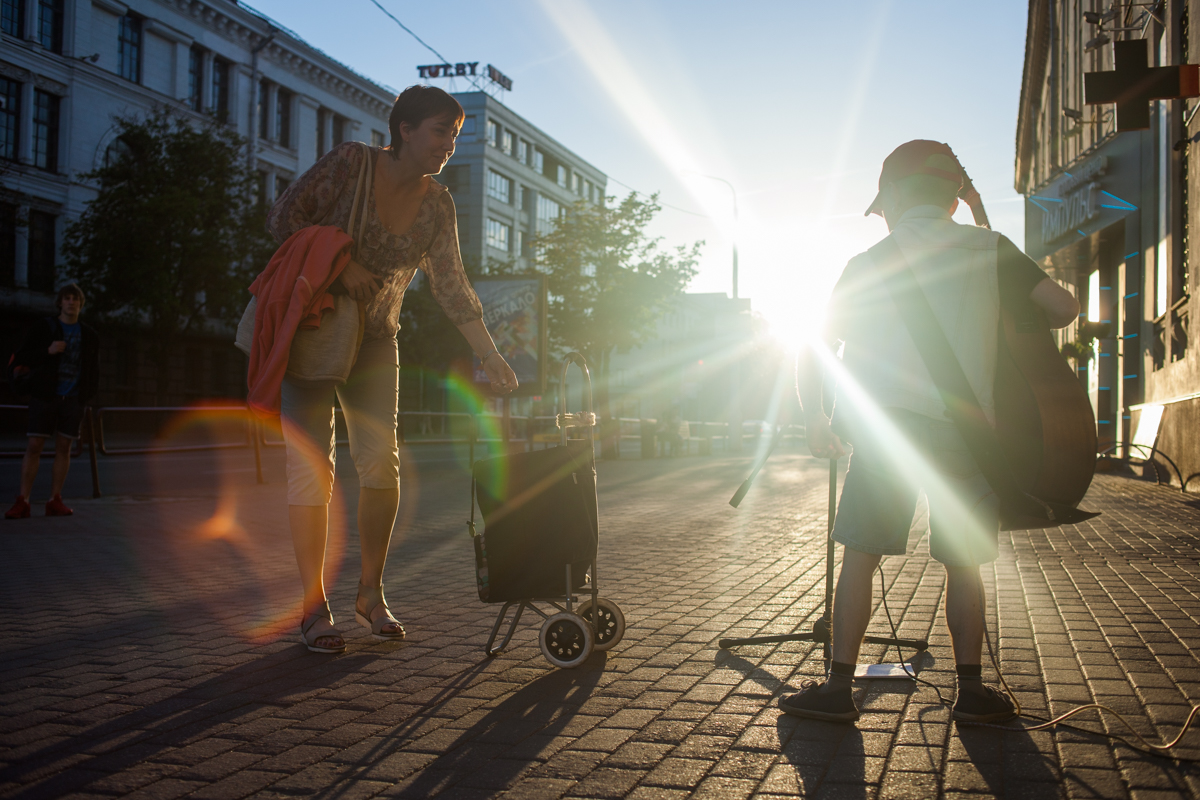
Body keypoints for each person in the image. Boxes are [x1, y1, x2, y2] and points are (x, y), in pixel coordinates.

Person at [787, 141, 1080, 724]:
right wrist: (980, 219)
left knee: (861, 557)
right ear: (954, 196)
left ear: (894, 196)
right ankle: (971, 694)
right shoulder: (990, 249)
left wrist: (814, 418)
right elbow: (1063, 307)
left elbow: (815, 345)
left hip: (884, 433)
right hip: (965, 433)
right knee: (963, 562)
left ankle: (838, 689)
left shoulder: (867, 263)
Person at [265, 85, 517, 653]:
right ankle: (312, 606)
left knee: (382, 464)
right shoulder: (352, 163)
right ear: (404, 130)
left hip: (377, 340)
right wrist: (342, 264)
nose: (448, 145)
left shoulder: (438, 204)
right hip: (314, 330)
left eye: (454, 136)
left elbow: (451, 285)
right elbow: (282, 218)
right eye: (438, 132)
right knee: (313, 468)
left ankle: (370, 594)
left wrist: (489, 352)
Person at [6, 284, 100, 519]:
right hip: (45, 396)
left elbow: (94, 369)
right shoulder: (44, 327)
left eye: (75, 299)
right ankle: (23, 500)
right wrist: (47, 350)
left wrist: (86, 395)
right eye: (67, 299)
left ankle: (54, 500)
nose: (71, 303)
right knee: (35, 446)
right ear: (60, 302)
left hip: (73, 399)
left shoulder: (89, 334)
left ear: (80, 303)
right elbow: (22, 357)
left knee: (64, 448)